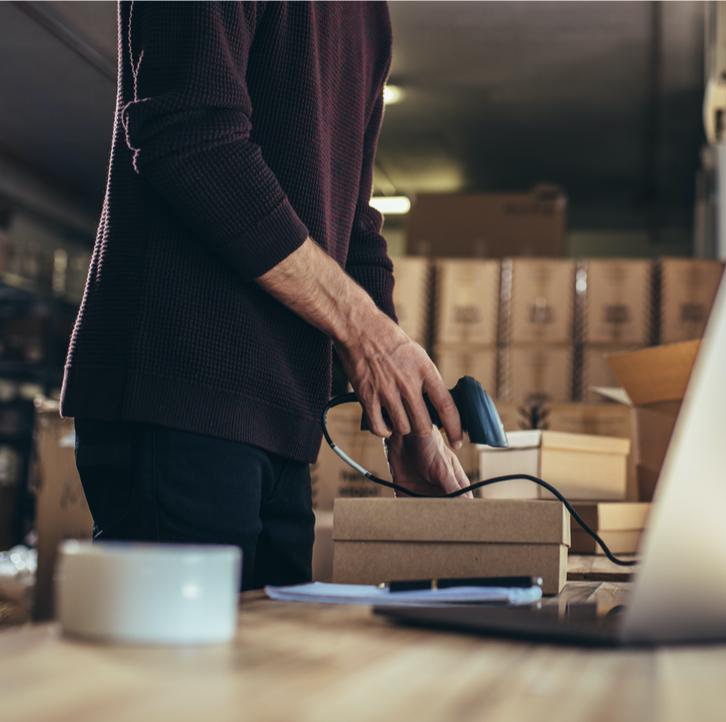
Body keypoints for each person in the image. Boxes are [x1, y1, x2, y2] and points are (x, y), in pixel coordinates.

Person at [61, 1, 471, 590]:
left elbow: (352, 228)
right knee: (176, 679)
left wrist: (411, 425)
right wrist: (365, 331)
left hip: (284, 421)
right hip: (180, 395)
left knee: (270, 673)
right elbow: (190, 139)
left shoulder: (368, 15)